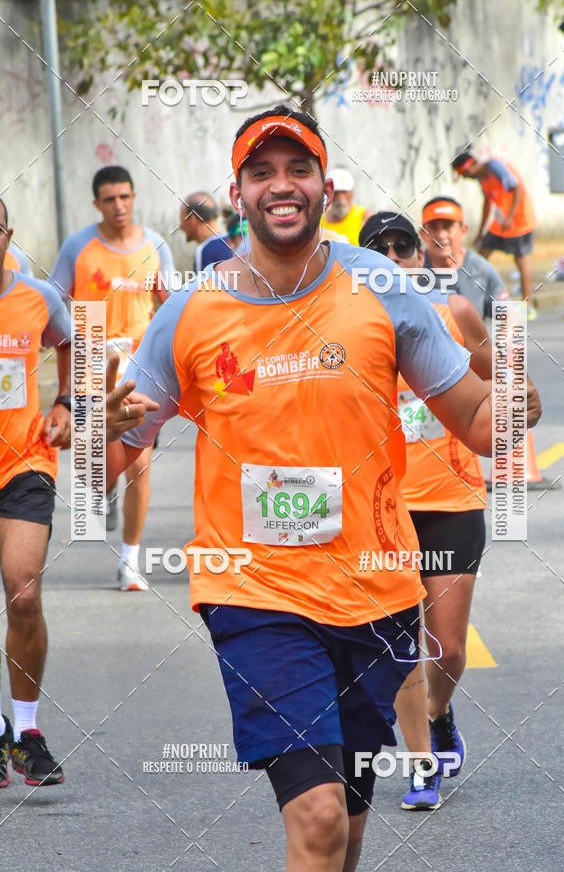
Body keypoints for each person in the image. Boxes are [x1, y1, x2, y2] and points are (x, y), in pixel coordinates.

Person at [106, 104, 501, 871]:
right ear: (238, 191)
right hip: (254, 594)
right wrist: (97, 429)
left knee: (347, 824)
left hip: (376, 590)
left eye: (298, 169)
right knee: (317, 817)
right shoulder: (190, 311)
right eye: (262, 172)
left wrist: (515, 391)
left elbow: (478, 421)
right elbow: (111, 461)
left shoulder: (380, 287)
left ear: (325, 186)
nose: (281, 186)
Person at [359, 212, 541, 812]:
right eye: (378, 248)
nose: (393, 255)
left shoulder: (456, 313)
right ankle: (420, 765)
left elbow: (500, 380)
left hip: (453, 500)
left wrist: (519, 401)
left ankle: (438, 715)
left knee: (450, 648)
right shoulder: (352, 328)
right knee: (404, 642)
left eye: (401, 244)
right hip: (384, 506)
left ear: (419, 253)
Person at [49, 165, 173, 591]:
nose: (118, 206)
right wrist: (79, 336)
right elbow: (54, 299)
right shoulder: (78, 247)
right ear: (96, 204)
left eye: (125, 197)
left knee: (139, 462)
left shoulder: (155, 244)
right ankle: (105, 488)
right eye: (109, 199)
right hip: (90, 365)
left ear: (134, 197)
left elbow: (170, 303)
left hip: (138, 371)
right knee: (94, 469)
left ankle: (130, 561)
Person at [0, 197, 71, 786]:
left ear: (9, 234)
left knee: (22, 595)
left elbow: (72, 339)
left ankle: (26, 731)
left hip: (25, 461)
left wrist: (67, 402)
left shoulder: (36, 297)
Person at [452, 152, 537, 316]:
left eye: (464, 174)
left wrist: (511, 217)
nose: (465, 178)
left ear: (469, 167)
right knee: (480, 258)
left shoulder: (494, 167)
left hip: (519, 221)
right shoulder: (482, 178)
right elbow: (488, 203)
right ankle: (474, 299)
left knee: (521, 261)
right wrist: (481, 232)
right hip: (500, 223)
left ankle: (528, 307)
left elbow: (517, 188)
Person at [420, 196, 509, 319]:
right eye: (433, 228)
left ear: (463, 230)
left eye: (448, 227)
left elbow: (510, 318)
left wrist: (504, 336)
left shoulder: (481, 270)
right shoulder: (412, 272)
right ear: (423, 233)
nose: (441, 235)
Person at [179, 192, 232, 271]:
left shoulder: (204, 250)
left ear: (193, 219)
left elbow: (204, 283)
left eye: (182, 220)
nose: (181, 227)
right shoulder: (234, 240)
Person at [323, 167, 371, 245]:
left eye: (344, 192)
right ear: (328, 193)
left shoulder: (364, 216)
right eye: (336, 192)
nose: (340, 198)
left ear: (352, 192)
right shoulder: (319, 219)